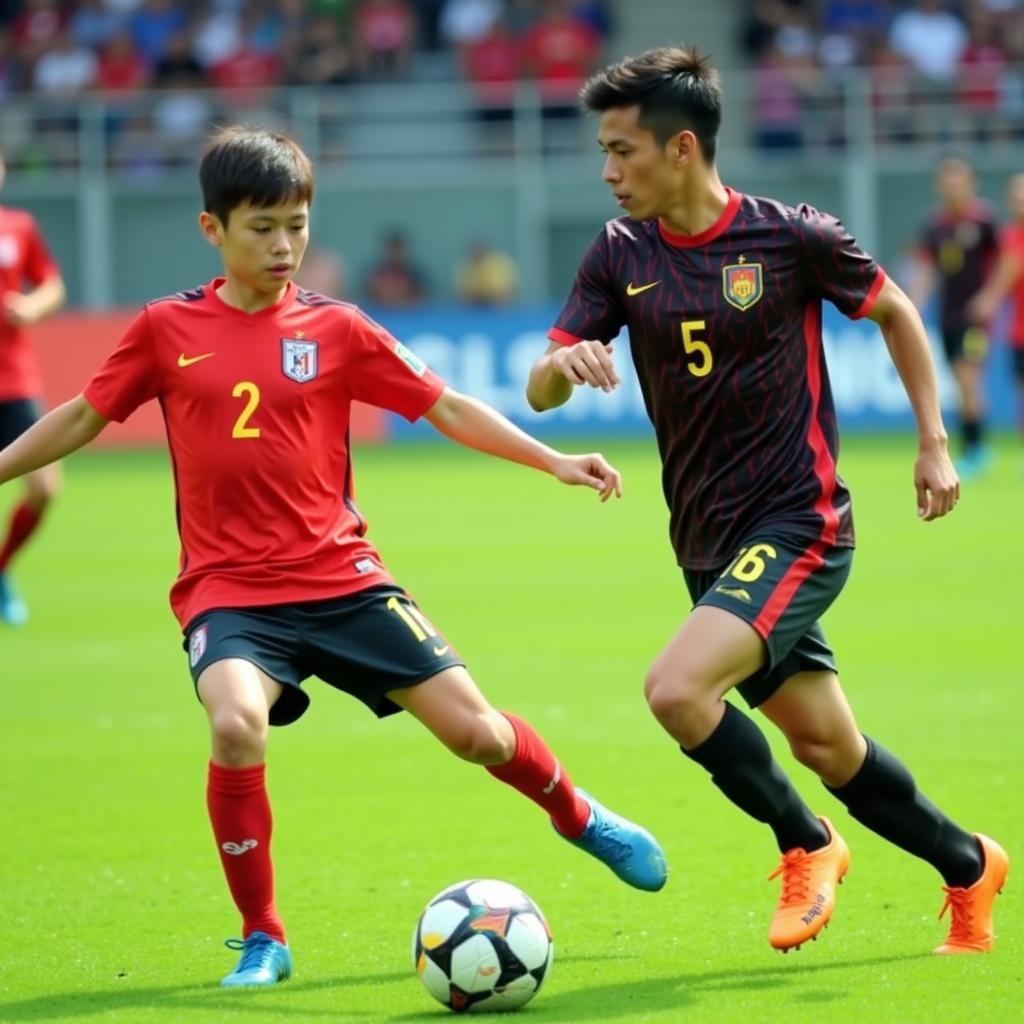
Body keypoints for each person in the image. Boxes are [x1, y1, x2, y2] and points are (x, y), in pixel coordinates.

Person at [0, 126, 667, 988]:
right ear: (213, 230)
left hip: (342, 581)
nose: (284, 247)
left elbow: (449, 407)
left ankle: (579, 816)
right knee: (237, 724)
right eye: (262, 228)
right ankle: (263, 935)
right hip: (228, 593)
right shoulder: (166, 329)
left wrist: (554, 460)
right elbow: (83, 418)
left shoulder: (338, 328)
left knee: (479, 734)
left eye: (298, 226)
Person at [526, 47, 1007, 956]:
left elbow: (899, 310)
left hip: (801, 525)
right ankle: (968, 862)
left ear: (681, 149)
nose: (607, 171)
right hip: (707, 544)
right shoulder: (618, 252)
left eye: (622, 151)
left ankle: (807, 843)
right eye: (603, 150)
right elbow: (540, 388)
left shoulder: (791, 236)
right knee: (834, 751)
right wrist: (563, 365)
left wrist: (934, 442)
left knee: (675, 692)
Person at [0, 145, 66, 625]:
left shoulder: (18, 226)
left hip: (15, 379)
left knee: (44, 488)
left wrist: (33, 307)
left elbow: (51, 283)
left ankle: (1, 569)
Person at [909, 156, 1000, 477]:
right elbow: (926, 268)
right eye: (947, 180)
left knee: (967, 376)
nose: (952, 185)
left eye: (958, 179)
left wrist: (990, 297)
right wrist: (914, 306)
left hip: (975, 317)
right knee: (960, 383)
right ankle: (973, 448)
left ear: (971, 183)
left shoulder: (985, 222)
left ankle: (976, 450)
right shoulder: (935, 225)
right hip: (947, 315)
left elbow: (1007, 263)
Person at [969, 172, 1024, 471]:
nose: (1020, 201)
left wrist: (989, 298)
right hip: (1019, 332)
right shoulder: (1008, 237)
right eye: (1015, 196)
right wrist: (988, 299)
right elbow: (1004, 275)